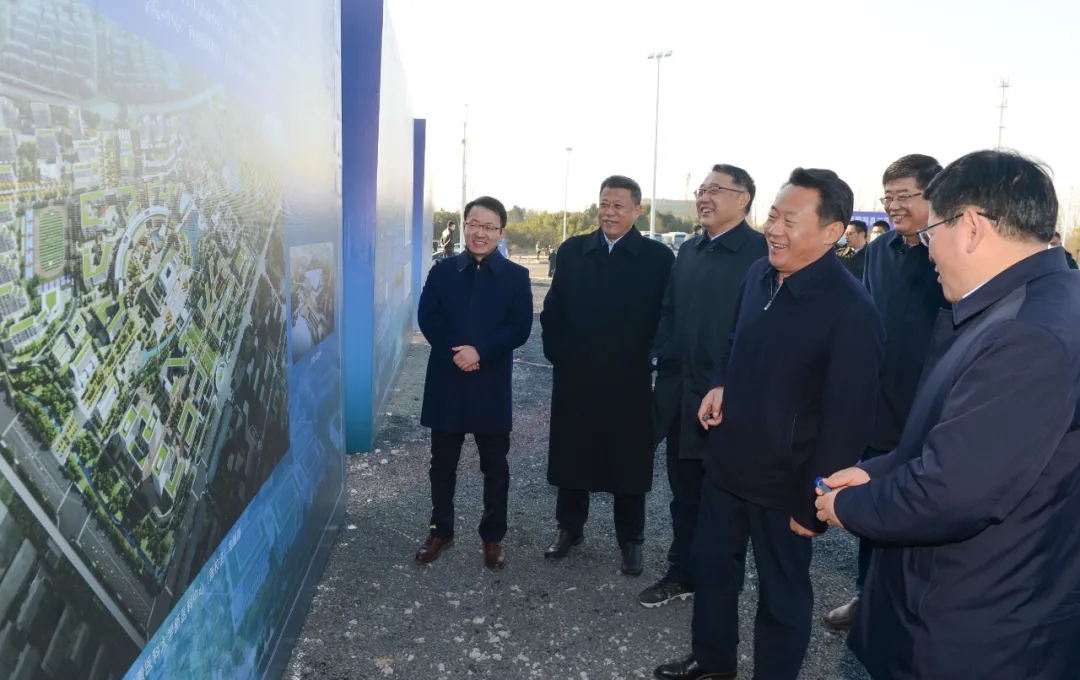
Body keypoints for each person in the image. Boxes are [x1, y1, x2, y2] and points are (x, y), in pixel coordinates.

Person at [815, 149, 1080, 680]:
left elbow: (953, 490)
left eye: (933, 229)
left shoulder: (1025, 335)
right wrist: (879, 470)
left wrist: (851, 506)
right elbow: (966, 441)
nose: (928, 246)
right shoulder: (1038, 301)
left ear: (972, 227)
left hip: (976, 625)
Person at [653, 168, 884, 680]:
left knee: (782, 596)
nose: (774, 230)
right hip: (727, 463)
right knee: (713, 569)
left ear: (832, 231)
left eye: (789, 221)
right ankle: (713, 661)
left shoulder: (851, 311)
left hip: (788, 482)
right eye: (773, 216)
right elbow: (734, 342)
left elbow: (849, 420)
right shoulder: (759, 274)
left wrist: (814, 500)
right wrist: (720, 384)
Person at [822, 154, 947, 631]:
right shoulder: (877, 252)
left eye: (904, 196)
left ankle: (917, 609)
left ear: (935, 195)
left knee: (925, 510)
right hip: (880, 404)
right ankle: (867, 596)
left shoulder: (949, 250)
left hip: (932, 405)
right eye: (888, 197)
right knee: (874, 502)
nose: (893, 206)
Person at [639, 164, 767, 609]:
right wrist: (662, 353)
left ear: (743, 199)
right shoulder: (689, 250)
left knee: (726, 504)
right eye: (701, 190)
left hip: (729, 404)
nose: (704, 198)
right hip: (681, 398)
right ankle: (682, 573)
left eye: (715, 189)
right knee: (684, 495)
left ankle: (720, 587)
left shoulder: (761, 254)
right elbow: (668, 310)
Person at [540, 175, 674, 576]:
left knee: (629, 461)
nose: (609, 213)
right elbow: (553, 310)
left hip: (629, 381)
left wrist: (651, 358)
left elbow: (668, 316)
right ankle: (569, 528)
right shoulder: (573, 251)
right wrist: (559, 355)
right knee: (572, 455)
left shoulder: (658, 259)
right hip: (576, 378)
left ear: (637, 210)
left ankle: (631, 539)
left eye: (618, 205)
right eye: (604, 204)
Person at [415, 196, 533, 571]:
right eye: (474, 224)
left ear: (501, 232)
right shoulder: (442, 271)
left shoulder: (516, 277)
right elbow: (428, 317)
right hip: (447, 379)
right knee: (442, 464)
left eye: (489, 227)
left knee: (495, 467)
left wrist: (480, 351)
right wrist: (456, 352)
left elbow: (520, 327)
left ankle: (493, 537)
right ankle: (441, 530)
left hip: (490, 382)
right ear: (463, 226)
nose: (480, 233)